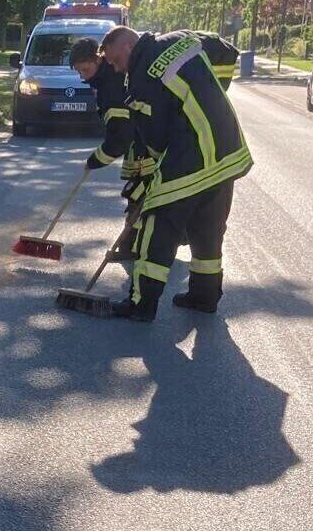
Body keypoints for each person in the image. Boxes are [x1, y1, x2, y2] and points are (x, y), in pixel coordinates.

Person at [99, 26, 252, 322]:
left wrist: (151, 176)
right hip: (227, 151)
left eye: (116, 60)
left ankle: (140, 304)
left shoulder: (142, 77)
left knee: (157, 225)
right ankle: (204, 296)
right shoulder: (181, 39)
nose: (116, 68)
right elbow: (222, 48)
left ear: (128, 47)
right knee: (207, 228)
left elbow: (155, 139)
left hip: (190, 159)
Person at [69, 37, 152, 259]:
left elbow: (119, 138)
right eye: (79, 72)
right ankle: (130, 248)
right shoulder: (108, 79)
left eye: (85, 70)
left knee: (144, 198)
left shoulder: (111, 86)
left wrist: (94, 160)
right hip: (142, 147)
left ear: (99, 59)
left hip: (148, 149)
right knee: (137, 197)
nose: (83, 77)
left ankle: (140, 250)